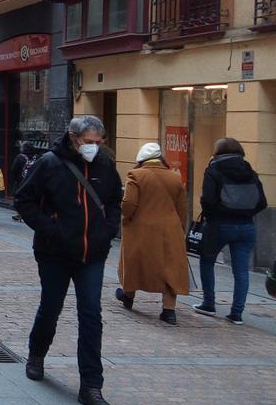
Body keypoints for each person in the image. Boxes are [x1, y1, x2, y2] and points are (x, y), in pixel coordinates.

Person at [14, 115, 122, 405]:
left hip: (92, 253)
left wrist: (108, 230)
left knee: (91, 316)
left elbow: (115, 199)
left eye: (99, 143)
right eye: (89, 143)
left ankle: (91, 385)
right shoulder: (49, 163)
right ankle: (36, 354)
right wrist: (49, 227)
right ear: (73, 138)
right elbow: (24, 200)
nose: (94, 148)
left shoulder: (105, 165)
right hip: (55, 253)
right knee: (51, 307)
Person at [194, 137, 267, 325]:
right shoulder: (250, 171)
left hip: (219, 224)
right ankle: (237, 313)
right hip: (246, 226)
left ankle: (209, 303)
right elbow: (262, 202)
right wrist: (246, 212)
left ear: (218, 152)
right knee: (241, 270)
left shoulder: (214, 169)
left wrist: (214, 215)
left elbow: (208, 200)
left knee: (207, 260)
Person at [114, 142, 188, 325]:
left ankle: (128, 295)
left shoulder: (136, 175)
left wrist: (125, 217)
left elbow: (129, 204)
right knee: (170, 269)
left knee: (135, 262)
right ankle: (169, 310)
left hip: (141, 227)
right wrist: (180, 229)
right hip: (170, 228)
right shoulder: (175, 177)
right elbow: (182, 208)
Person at [8, 142, 41, 221]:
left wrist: (14, 180)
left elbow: (14, 170)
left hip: (22, 181)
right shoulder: (37, 157)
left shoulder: (20, 157)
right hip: (34, 181)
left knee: (21, 197)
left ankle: (20, 213)